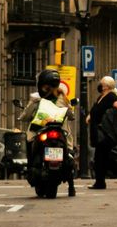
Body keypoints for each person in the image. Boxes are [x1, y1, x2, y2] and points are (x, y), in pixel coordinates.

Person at [19, 69, 77, 197]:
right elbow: (71, 116)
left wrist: (24, 114)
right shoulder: (63, 98)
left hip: (40, 132)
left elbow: (25, 116)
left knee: (29, 143)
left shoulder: (36, 100)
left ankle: (30, 167)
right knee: (69, 153)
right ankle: (71, 186)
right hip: (61, 133)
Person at [87, 76, 117, 190]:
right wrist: (90, 117)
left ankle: (100, 183)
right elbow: (96, 110)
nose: (99, 85)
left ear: (106, 86)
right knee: (104, 158)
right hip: (98, 132)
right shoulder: (101, 97)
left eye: (101, 84)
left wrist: (108, 118)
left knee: (99, 158)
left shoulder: (111, 96)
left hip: (104, 133)